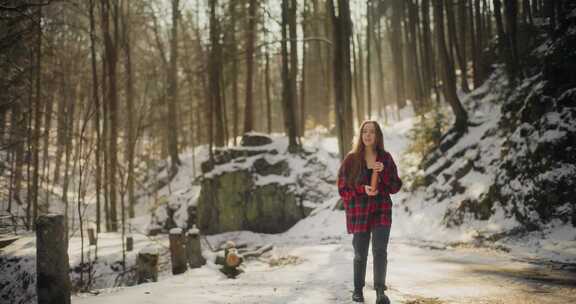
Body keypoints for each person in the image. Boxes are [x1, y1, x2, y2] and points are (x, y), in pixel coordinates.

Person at [337, 120, 402, 304]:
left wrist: (385, 173)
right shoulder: (351, 159)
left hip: (381, 209)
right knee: (360, 253)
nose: (368, 135)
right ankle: (358, 290)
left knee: (380, 250)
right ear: (361, 135)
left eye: (372, 132)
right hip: (359, 212)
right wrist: (361, 190)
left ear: (377, 135)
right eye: (365, 131)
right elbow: (343, 189)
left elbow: (395, 186)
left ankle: (380, 292)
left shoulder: (386, 158)